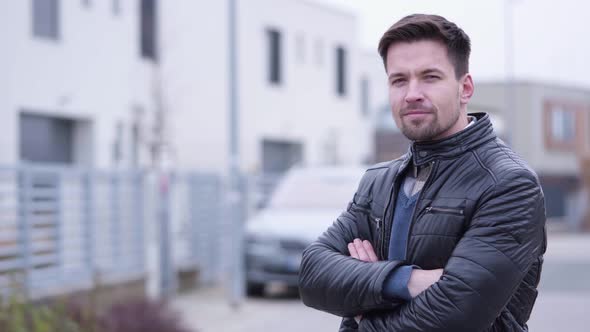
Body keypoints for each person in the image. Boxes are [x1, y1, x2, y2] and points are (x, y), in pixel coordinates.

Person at [298, 14, 546, 331]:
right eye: (399, 80)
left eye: (430, 77)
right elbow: (312, 273)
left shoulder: (508, 184)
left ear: (465, 88)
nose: (412, 93)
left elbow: (456, 317)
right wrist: (406, 281)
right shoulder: (377, 182)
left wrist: (365, 310)